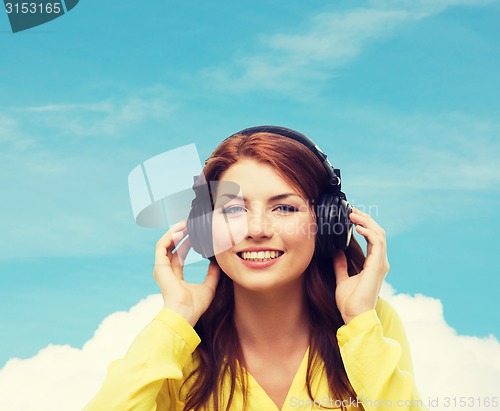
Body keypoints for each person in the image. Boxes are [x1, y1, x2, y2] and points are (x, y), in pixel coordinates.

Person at [83, 127, 428, 411]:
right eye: (233, 210)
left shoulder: (369, 323)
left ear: (325, 223)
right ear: (205, 228)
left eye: (284, 208)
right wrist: (176, 319)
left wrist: (360, 322)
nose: (257, 229)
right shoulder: (176, 343)